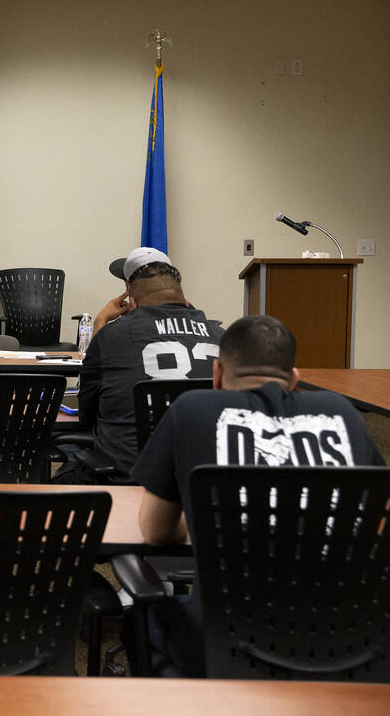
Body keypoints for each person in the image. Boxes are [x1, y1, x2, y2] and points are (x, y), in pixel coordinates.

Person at [129, 315, 384, 676]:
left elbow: (155, 532)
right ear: (293, 379)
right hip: (347, 644)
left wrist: (208, 512)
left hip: (226, 648)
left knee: (142, 617)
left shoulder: (190, 409)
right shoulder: (345, 413)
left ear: (217, 373)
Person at [71, 247, 223, 482]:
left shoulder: (113, 336)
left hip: (130, 478)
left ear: (131, 300)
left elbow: (87, 414)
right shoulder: (221, 336)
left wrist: (101, 321)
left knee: (68, 467)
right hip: (203, 480)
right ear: (183, 298)